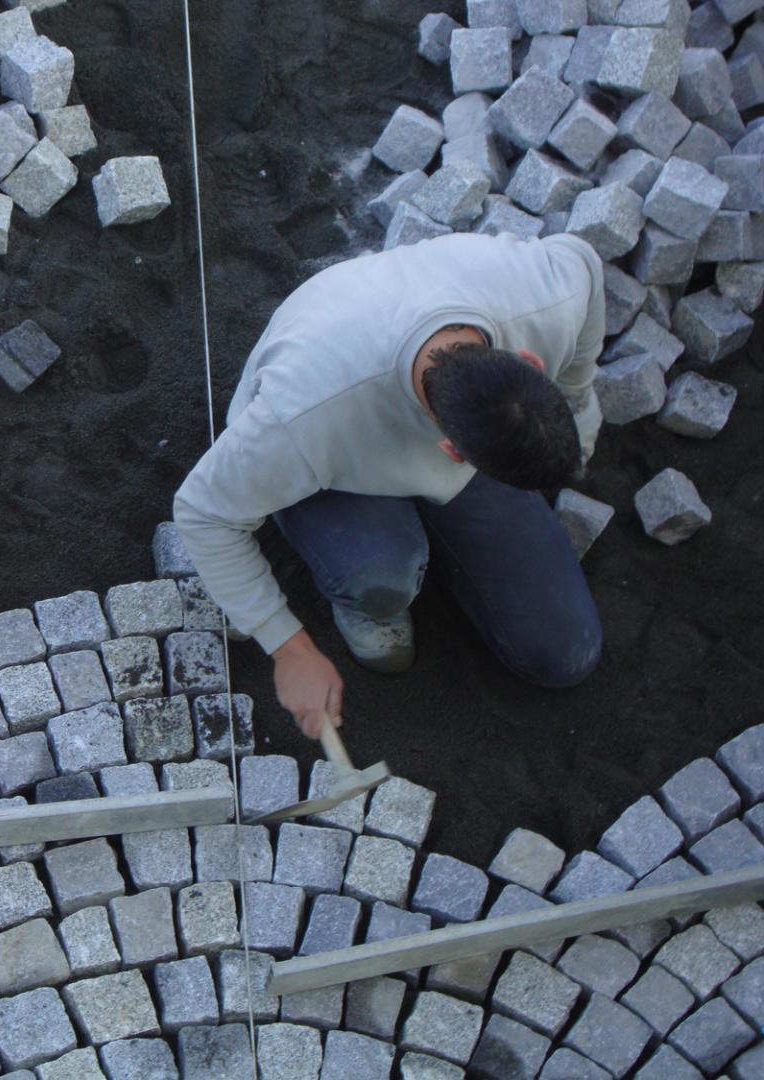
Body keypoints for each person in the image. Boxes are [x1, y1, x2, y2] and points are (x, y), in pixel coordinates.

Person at [173, 231, 606, 738]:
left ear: (531, 363)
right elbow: (203, 512)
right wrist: (289, 647)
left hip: (424, 406)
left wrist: (576, 393)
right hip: (337, 439)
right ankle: (368, 597)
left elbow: (585, 259)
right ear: (452, 455)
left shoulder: (546, 292)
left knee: (562, 653)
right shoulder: (300, 420)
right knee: (380, 576)